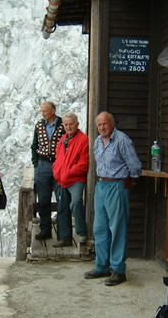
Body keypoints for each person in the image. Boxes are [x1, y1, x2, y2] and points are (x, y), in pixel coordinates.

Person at [84, 111, 142, 286]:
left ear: (112, 123)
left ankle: (118, 270)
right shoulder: (96, 142)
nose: (102, 127)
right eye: (99, 125)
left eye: (105, 124)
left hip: (117, 186)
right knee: (100, 228)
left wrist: (128, 181)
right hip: (101, 185)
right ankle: (101, 266)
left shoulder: (122, 140)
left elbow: (136, 166)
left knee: (117, 228)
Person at [52, 112, 89, 247]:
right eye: (66, 124)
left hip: (75, 179)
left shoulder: (84, 140)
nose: (68, 127)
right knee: (62, 208)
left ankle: (81, 232)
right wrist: (57, 171)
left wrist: (67, 172)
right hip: (62, 179)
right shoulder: (62, 140)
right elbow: (57, 160)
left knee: (76, 202)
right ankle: (65, 238)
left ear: (77, 124)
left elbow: (83, 164)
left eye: (71, 124)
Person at [31, 101, 65, 240]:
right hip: (43, 164)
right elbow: (34, 145)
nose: (43, 113)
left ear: (53, 111)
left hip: (59, 163)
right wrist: (36, 164)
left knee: (61, 197)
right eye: (42, 111)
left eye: (45, 111)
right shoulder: (39, 125)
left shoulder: (63, 124)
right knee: (43, 199)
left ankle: (63, 231)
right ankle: (45, 229)